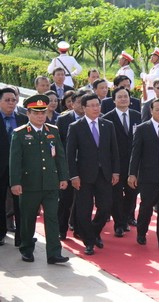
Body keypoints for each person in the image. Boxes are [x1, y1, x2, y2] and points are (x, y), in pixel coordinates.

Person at [9, 94, 70, 264]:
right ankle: (27, 248)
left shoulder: (53, 131)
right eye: (36, 113)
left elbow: (60, 156)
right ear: (28, 113)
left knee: (52, 218)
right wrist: (15, 182)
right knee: (28, 219)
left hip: (50, 183)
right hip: (29, 185)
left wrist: (63, 176)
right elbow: (15, 161)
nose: (40, 116)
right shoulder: (20, 134)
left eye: (42, 113)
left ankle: (54, 253)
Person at [66, 93, 120, 255]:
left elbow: (114, 151)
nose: (96, 108)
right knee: (83, 210)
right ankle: (89, 242)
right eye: (92, 105)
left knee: (105, 207)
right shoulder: (76, 127)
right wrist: (73, 175)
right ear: (84, 108)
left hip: (104, 174)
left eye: (98, 105)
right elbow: (70, 154)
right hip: (83, 176)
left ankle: (94, 231)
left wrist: (116, 171)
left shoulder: (107, 125)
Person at [128, 98, 159, 249]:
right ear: (151, 110)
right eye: (158, 109)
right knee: (146, 207)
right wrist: (132, 173)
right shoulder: (142, 128)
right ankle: (141, 233)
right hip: (148, 176)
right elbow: (136, 153)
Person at [103, 87, 141, 238]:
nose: (124, 99)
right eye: (120, 97)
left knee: (132, 194)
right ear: (114, 100)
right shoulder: (107, 118)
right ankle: (119, 224)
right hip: (115, 164)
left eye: (126, 96)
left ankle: (125, 218)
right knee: (116, 195)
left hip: (133, 164)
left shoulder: (137, 116)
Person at [55, 89, 88, 240]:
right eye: (79, 102)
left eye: (84, 103)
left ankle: (79, 228)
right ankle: (61, 229)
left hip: (86, 166)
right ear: (72, 104)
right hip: (67, 166)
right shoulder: (63, 120)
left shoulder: (93, 119)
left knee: (83, 201)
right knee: (66, 200)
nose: (82, 106)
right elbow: (57, 143)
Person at [0, 88, 28, 247]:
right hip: (1, 167)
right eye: (7, 100)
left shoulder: (23, 119)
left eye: (13, 100)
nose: (11, 103)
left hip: (20, 168)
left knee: (22, 203)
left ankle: (22, 237)